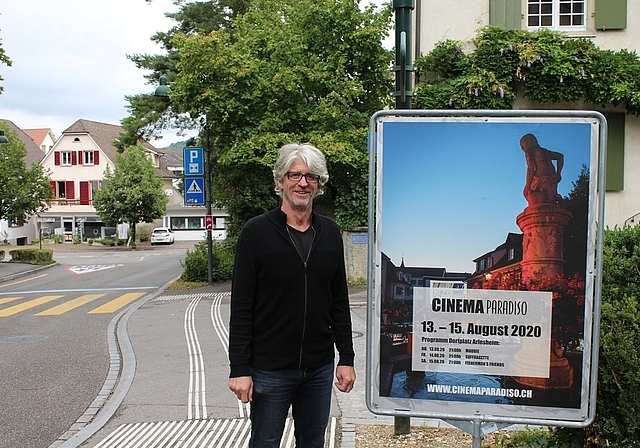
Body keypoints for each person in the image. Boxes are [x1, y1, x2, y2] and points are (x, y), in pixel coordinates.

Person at [228, 143, 356, 448]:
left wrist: (347, 358)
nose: (302, 183)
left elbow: (339, 301)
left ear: (319, 184)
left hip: (319, 367)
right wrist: (239, 369)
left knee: (313, 442)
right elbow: (242, 306)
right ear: (281, 181)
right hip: (269, 368)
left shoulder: (330, 233)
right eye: (295, 175)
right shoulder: (256, 233)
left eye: (311, 177)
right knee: (265, 442)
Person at [520, 133, 564, 205]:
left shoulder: (530, 152)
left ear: (528, 143)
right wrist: (558, 173)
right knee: (551, 200)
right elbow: (560, 156)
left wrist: (527, 187)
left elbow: (530, 168)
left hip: (540, 180)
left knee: (529, 195)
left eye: (522, 145)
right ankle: (557, 198)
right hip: (552, 179)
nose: (522, 148)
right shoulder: (544, 151)